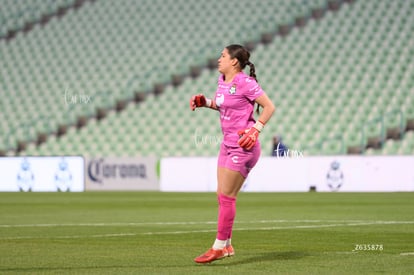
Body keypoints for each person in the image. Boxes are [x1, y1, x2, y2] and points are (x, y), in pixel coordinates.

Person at [189, 44, 275, 264]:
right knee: (221, 195)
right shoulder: (222, 81)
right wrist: (206, 102)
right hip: (226, 144)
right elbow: (225, 105)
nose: (219, 59)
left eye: (223, 56)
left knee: (227, 197)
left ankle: (218, 247)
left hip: (243, 146)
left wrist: (256, 129)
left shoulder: (246, 82)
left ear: (234, 61)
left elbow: (269, 107)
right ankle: (227, 246)